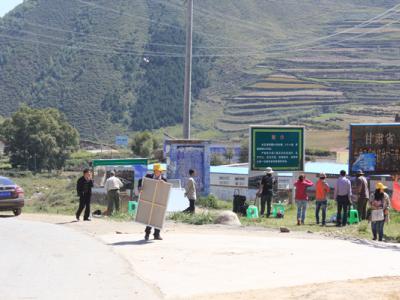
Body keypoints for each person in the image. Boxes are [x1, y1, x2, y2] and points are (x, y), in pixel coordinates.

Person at [139, 163, 167, 241]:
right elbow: (140, 181)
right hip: (150, 199)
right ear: (154, 171)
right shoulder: (148, 177)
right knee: (150, 218)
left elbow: (166, 190)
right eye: (157, 171)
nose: (158, 172)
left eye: (160, 171)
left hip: (159, 201)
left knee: (158, 218)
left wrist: (163, 184)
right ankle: (147, 234)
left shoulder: (164, 179)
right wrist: (140, 187)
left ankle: (156, 235)